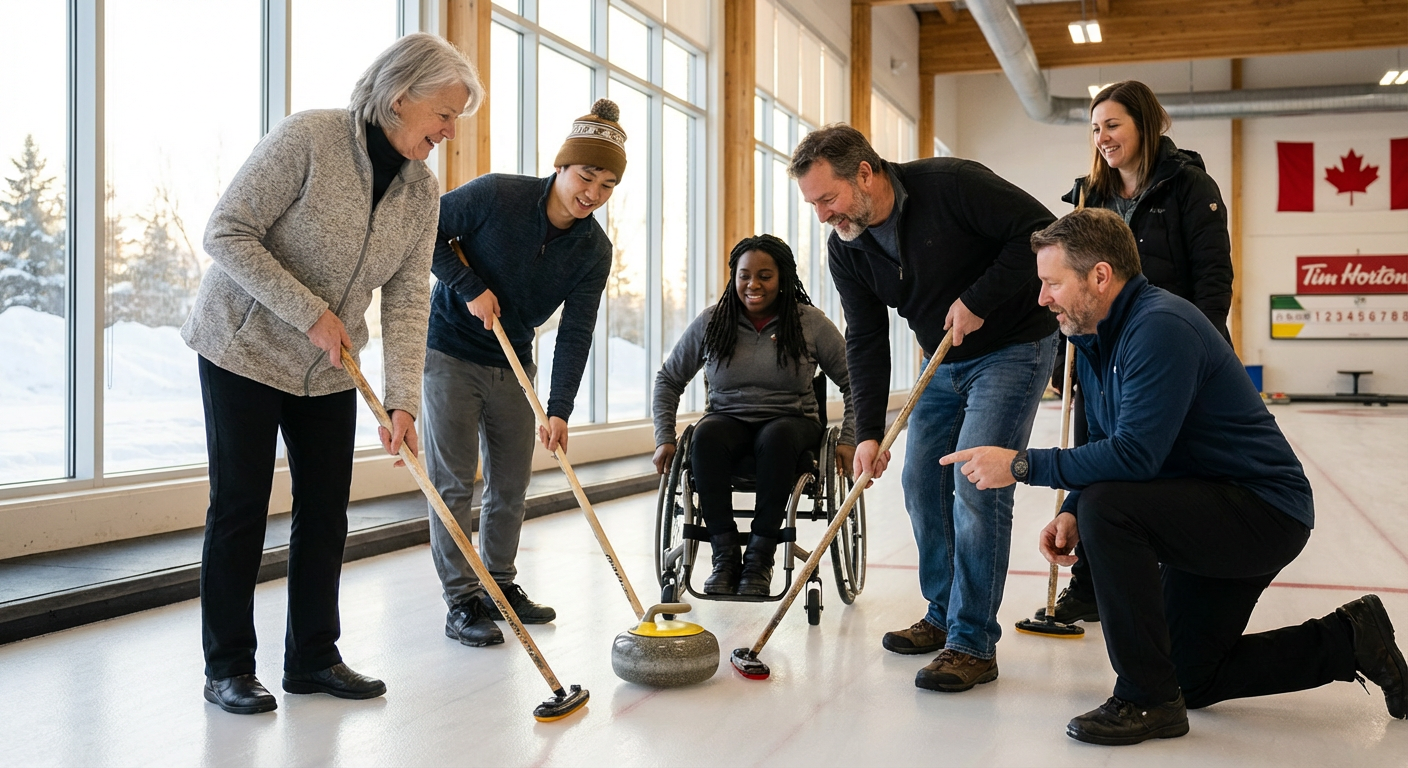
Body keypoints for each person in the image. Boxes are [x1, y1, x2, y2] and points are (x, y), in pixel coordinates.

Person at [946, 207, 1407, 745]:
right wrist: (1071, 509)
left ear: (1100, 276)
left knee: (1109, 509)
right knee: (1190, 675)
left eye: (1053, 283)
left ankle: (1145, 699)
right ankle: (1351, 638)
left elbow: (1135, 456)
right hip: (1208, 503)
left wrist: (1020, 464)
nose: (1043, 298)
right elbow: (1105, 442)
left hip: (1260, 511)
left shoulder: (1160, 327)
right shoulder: (1097, 339)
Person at [183, 33, 481, 715]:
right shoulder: (309, 138)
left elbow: (408, 298)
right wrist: (309, 312)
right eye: (444, 114)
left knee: (325, 513)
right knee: (241, 508)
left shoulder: (421, 192)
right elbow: (226, 232)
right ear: (400, 97)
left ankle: (313, 658)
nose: (448, 131)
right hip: (244, 348)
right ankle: (227, 667)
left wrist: (402, 400)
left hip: (329, 368)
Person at [789, 125, 1058, 692]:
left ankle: (972, 642)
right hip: (943, 359)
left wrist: (979, 299)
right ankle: (944, 612)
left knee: (977, 484)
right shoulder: (847, 247)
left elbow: (1040, 233)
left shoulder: (951, 184)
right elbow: (866, 338)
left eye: (828, 199)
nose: (823, 216)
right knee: (919, 481)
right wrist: (867, 431)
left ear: (865, 173)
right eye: (813, 204)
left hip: (1014, 347)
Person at [423, 99, 624, 647]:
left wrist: (559, 409)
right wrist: (469, 288)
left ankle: (498, 585)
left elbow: (577, 330)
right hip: (450, 352)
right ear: (561, 165)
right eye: (586, 176)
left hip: (512, 361)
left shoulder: (594, 250)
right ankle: (462, 600)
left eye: (607, 185)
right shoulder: (497, 195)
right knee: (453, 484)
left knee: (510, 484)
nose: (593, 193)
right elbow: (424, 229)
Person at [1041, 79, 1235, 627]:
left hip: (1170, 350)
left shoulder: (1189, 187)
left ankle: (1174, 581)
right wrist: (1063, 357)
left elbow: (1213, 278)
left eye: (1113, 125)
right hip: (1101, 354)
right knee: (1095, 456)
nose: (1102, 137)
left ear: (1144, 124)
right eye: (1095, 128)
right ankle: (1088, 585)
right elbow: (1066, 283)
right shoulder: (1089, 196)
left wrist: (1197, 354)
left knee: (1164, 464)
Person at [651, 234, 856, 596]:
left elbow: (854, 382)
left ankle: (760, 558)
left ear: (783, 278)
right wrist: (664, 437)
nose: (753, 285)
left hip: (792, 422)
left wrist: (851, 438)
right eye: (744, 275)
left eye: (765, 276)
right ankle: (725, 556)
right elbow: (668, 379)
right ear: (734, 277)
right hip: (728, 420)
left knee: (776, 437)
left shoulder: (808, 323)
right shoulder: (712, 321)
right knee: (706, 435)